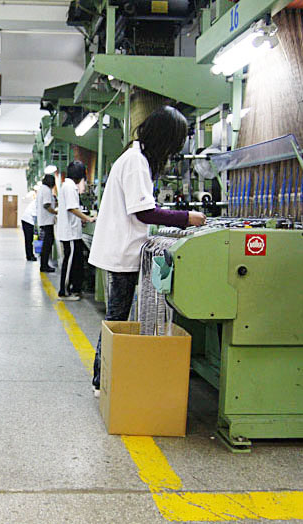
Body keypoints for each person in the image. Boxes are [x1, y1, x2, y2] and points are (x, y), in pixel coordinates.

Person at [89, 105, 206, 395]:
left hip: (123, 249)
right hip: (121, 252)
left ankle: (105, 376)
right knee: (117, 318)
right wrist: (186, 217)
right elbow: (144, 212)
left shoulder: (136, 158)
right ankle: (101, 380)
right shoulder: (135, 161)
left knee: (117, 316)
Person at [56, 160, 95, 300]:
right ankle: (64, 292)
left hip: (72, 232)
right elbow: (72, 208)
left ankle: (73, 289)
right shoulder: (70, 187)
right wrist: (87, 218)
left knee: (75, 262)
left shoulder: (67, 185)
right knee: (69, 262)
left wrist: (81, 220)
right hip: (70, 234)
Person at [36, 174, 57, 272]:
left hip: (44, 220)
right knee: (48, 243)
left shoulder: (42, 189)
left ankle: (44, 264)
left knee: (47, 243)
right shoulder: (46, 190)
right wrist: (56, 212)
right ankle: (44, 266)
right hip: (47, 221)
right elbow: (47, 205)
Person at [20, 194, 38, 262]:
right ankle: (29, 256)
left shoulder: (36, 201)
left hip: (27, 220)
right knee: (29, 239)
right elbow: (35, 215)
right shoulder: (37, 202)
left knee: (29, 240)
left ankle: (30, 255)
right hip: (27, 221)